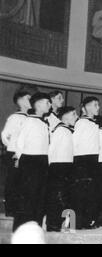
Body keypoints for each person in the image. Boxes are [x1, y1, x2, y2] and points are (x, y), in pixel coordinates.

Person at [13, 93, 51, 231]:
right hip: (30, 161)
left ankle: (35, 227)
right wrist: (19, 158)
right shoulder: (28, 121)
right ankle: (21, 229)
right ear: (38, 104)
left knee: (40, 197)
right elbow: (19, 142)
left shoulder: (44, 122)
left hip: (42, 160)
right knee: (28, 197)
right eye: (47, 102)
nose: (50, 105)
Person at [46, 106, 77, 232]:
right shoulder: (59, 131)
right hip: (58, 166)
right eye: (74, 114)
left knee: (65, 197)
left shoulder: (68, 131)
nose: (76, 117)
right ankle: (53, 224)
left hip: (67, 166)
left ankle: (65, 224)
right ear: (65, 116)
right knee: (56, 197)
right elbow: (51, 150)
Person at [72, 97, 100, 230]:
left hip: (93, 159)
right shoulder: (81, 123)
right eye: (95, 105)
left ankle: (86, 221)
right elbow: (75, 142)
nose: (98, 107)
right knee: (80, 192)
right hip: (82, 160)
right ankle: (76, 223)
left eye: (98, 105)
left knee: (90, 192)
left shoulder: (93, 123)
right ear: (86, 107)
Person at [1, 91, 31, 217]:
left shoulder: (29, 118)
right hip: (14, 154)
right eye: (28, 98)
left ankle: (19, 208)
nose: (31, 101)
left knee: (22, 182)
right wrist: (12, 148)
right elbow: (4, 135)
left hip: (25, 154)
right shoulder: (15, 117)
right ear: (20, 101)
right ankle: (10, 209)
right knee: (13, 181)